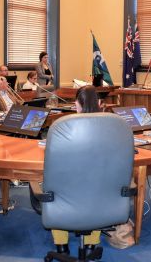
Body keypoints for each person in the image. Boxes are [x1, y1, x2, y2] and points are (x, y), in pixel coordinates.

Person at [30, 85, 101, 256]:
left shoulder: (64, 127)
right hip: (98, 194)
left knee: (55, 191)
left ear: (77, 104)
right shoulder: (114, 127)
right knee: (99, 191)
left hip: (66, 193)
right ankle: (91, 246)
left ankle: (62, 246)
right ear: (100, 103)